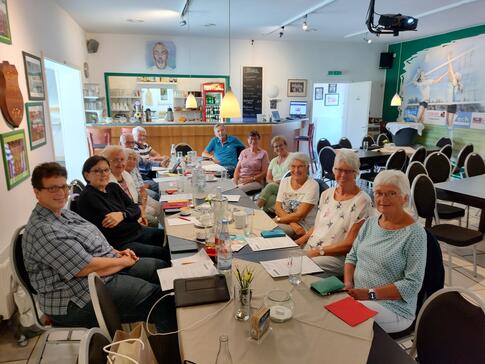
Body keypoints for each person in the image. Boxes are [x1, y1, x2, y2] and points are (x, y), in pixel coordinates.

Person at [22, 162, 175, 330]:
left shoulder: (64, 213)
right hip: (76, 299)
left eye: (63, 186)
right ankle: (170, 352)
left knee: (161, 269)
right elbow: (84, 267)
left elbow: (94, 241)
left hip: (101, 273)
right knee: (163, 300)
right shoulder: (44, 230)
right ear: (37, 192)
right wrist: (123, 262)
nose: (61, 193)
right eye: (52, 188)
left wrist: (117, 252)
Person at [344, 170, 427, 333]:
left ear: (404, 197)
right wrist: (348, 284)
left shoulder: (415, 234)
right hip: (360, 296)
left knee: (341, 319)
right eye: (379, 193)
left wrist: (370, 294)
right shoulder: (371, 223)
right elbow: (351, 257)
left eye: (391, 193)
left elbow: (412, 285)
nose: (383, 199)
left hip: (394, 308)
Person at [295, 150, 373, 276]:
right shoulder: (326, 194)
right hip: (312, 247)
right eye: (338, 169)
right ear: (333, 170)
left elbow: (349, 245)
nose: (342, 174)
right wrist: (298, 242)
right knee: (287, 263)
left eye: (348, 171)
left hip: (337, 256)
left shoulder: (362, 201)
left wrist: (317, 251)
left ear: (356, 173)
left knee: (299, 270)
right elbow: (319, 225)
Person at [77, 155, 170, 262]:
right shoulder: (87, 197)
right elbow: (114, 228)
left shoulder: (113, 187)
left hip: (136, 231)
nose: (103, 174)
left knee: (170, 238)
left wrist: (122, 215)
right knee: (164, 254)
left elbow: (135, 207)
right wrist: (131, 215)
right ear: (87, 175)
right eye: (97, 171)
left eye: (106, 170)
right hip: (120, 244)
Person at [103, 146, 161, 227]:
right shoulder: (107, 182)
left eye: (122, 160)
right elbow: (119, 210)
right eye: (115, 160)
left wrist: (142, 211)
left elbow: (138, 195)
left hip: (134, 209)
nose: (120, 163)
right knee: (154, 222)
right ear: (106, 162)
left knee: (159, 210)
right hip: (126, 218)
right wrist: (137, 215)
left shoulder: (125, 174)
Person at [274, 153, 319, 239]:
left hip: (303, 226)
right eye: (293, 166)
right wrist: (292, 223)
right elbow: (277, 207)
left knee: (271, 231)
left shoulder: (313, 185)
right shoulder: (284, 181)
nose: (296, 170)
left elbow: (299, 215)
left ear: (307, 168)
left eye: (300, 166)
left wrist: (278, 219)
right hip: (291, 224)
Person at [124, 147, 162, 227]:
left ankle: (165, 231)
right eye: (129, 159)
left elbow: (142, 189)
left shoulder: (134, 170)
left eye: (134, 159)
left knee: (160, 207)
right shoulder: (122, 174)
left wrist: (143, 205)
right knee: (153, 214)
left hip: (141, 197)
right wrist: (142, 209)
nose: (132, 161)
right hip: (134, 202)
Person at [257, 136, 292, 214]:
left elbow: (294, 175)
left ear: (285, 145)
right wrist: (274, 183)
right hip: (275, 187)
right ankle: (269, 217)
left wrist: (280, 182)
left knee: (270, 187)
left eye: (281, 145)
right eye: (276, 146)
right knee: (271, 199)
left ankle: (255, 210)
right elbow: (268, 178)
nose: (278, 148)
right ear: (274, 149)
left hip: (287, 186)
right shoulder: (273, 161)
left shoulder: (292, 158)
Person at [120, 132, 159, 197]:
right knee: (155, 195)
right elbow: (127, 183)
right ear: (121, 144)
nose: (131, 145)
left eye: (132, 142)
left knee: (159, 185)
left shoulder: (133, 153)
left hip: (140, 183)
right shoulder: (120, 158)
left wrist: (160, 163)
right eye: (128, 143)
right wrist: (142, 187)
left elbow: (145, 163)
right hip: (134, 190)